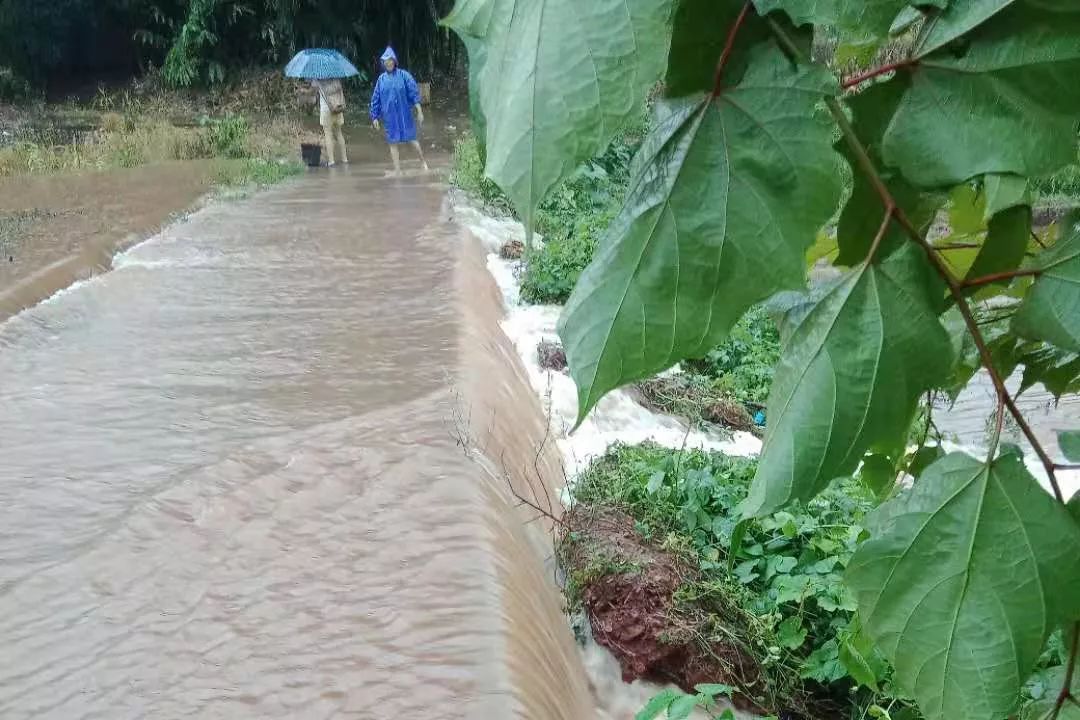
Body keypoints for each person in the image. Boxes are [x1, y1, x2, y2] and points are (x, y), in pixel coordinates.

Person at [370, 47, 428, 174]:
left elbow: (414, 94)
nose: (388, 63)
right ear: (383, 63)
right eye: (386, 61)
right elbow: (376, 99)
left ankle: (423, 162)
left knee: (412, 140)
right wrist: (374, 117)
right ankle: (397, 171)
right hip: (390, 117)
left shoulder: (404, 75)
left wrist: (419, 111)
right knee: (392, 143)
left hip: (404, 115)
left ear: (394, 61)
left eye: (390, 60)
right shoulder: (381, 80)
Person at [313, 78, 348, 167]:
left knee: (328, 134)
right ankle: (344, 159)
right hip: (337, 107)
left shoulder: (317, 77)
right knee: (339, 133)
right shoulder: (335, 76)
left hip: (326, 110)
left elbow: (313, 91)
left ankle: (331, 161)